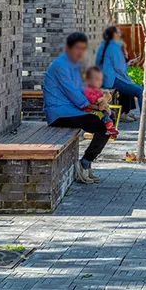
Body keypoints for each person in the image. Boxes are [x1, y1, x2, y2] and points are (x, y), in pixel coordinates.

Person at [43, 32, 109, 184]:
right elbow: (72, 91)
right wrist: (94, 106)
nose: (81, 52)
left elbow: (81, 89)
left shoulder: (74, 65)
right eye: (77, 48)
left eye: (83, 48)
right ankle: (85, 163)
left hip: (71, 110)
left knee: (107, 121)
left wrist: (99, 99)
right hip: (59, 113)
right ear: (68, 48)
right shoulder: (60, 66)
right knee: (102, 126)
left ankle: (87, 162)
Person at [96, 25, 143, 120]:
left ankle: (125, 112)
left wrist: (128, 64)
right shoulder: (113, 47)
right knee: (140, 90)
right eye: (118, 32)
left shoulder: (105, 45)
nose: (120, 34)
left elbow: (115, 66)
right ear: (113, 34)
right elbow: (119, 68)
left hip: (105, 78)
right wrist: (128, 79)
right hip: (111, 80)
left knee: (128, 85)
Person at [83, 65, 118, 138]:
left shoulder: (96, 89)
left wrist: (105, 96)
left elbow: (103, 96)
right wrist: (100, 100)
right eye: (96, 79)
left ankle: (111, 128)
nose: (99, 82)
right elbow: (90, 101)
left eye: (100, 80)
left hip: (98, 107)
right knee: (103, 114)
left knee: (112, 113)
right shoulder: (87, 90)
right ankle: (108, 126)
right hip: (89, 110)